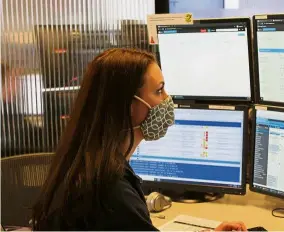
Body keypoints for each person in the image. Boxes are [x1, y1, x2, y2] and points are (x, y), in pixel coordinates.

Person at [32, 48, 247, 231]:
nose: (167, 100)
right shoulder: (111, 192)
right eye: (159, 90)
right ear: (128, 104)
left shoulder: (87, 162)